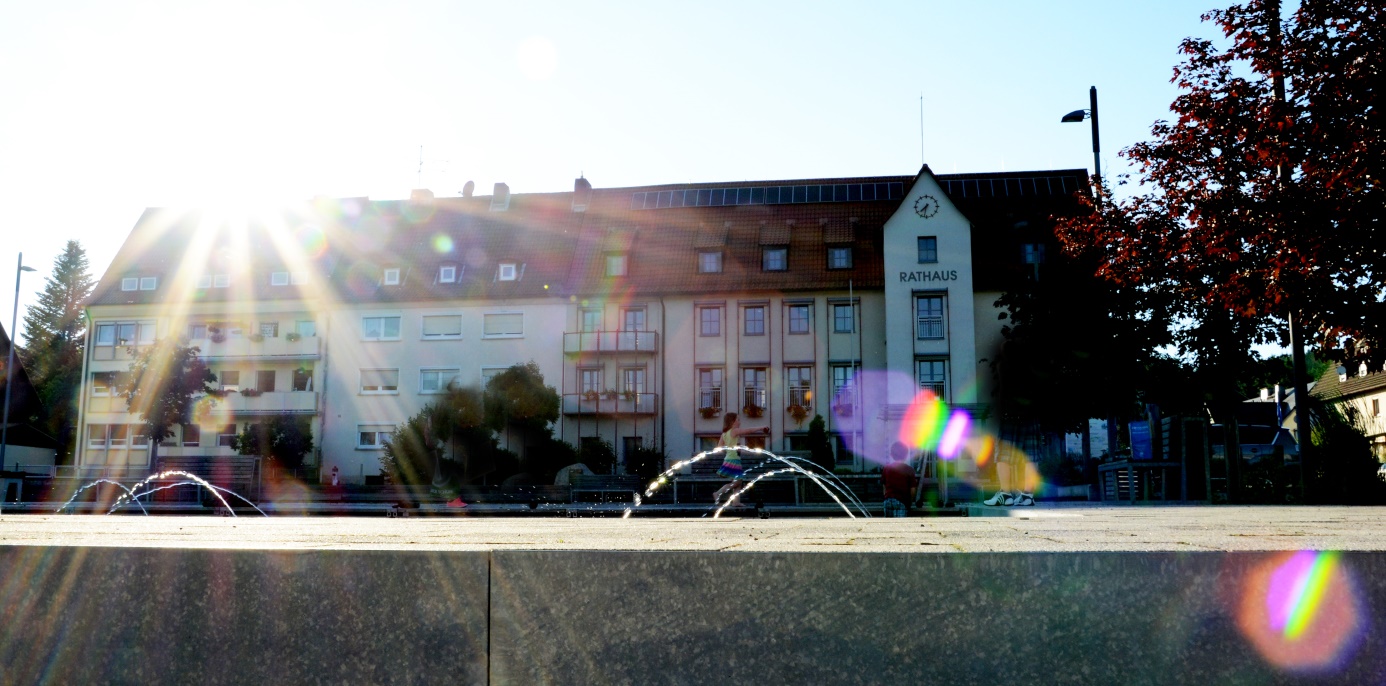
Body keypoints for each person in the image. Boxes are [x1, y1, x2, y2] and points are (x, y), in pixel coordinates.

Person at [711, 412, 768, 507]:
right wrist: (761, 428)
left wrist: (732, 448)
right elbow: (748, 431)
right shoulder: (734, 431)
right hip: (734, 460)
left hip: (729, 459)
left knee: (738, 482)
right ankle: (718, 493)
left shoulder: (724, 434)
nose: (740, 422)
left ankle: (736, 502)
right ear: (732, 422)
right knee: (738, 482)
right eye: (738, 419)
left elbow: (719, 447)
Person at [882, 441, 917, 517]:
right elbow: (913, 490)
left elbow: (884, 487)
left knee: (888, 523)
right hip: (902, 501)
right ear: (906, 455)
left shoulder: (886, 469)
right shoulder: (909, 469)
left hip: (888, 500)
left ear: (891, 455)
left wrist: (886, 497)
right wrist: (910, 502)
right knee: (901, 523)